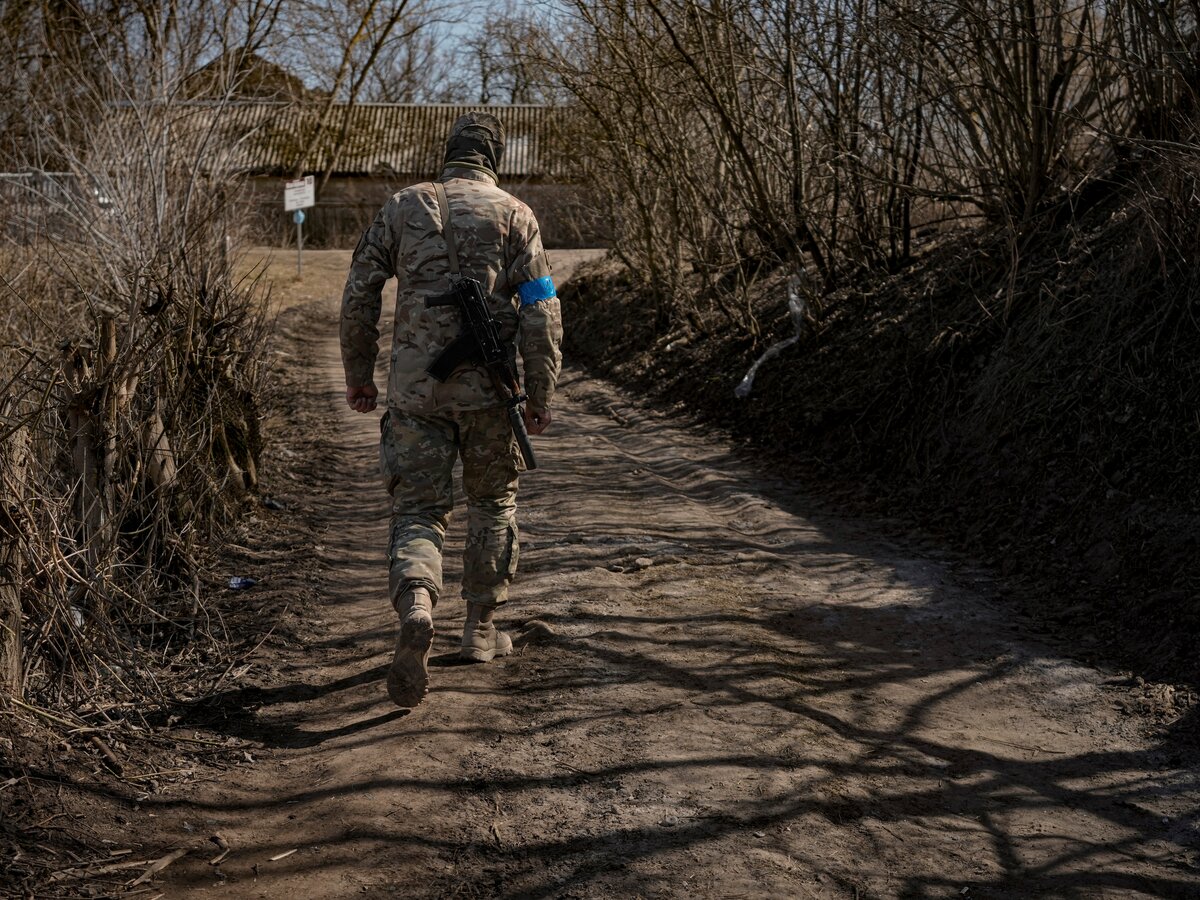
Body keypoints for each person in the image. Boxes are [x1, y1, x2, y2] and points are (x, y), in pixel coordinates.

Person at [339, 112, 562, 709]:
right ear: (494, 159)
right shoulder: (516, 215)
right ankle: (481, 630)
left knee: (418, 508)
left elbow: (359, 290)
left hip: (415, 395)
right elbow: (541, 309)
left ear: (449, 154)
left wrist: (359, 375)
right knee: (493, 502)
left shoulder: (401, 207)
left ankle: (417, 602)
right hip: (490, 395)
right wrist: (541, 394)